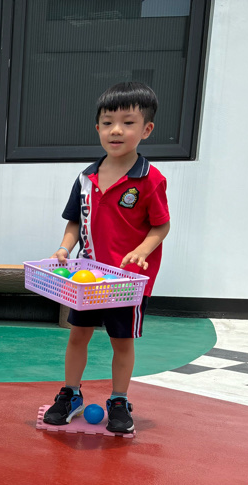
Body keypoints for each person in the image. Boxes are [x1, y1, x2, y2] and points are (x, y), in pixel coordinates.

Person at [43, 81, 171, 434]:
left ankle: (119, 400)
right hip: (88, 279)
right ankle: (70, 394)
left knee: (122, 342)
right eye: (108, 122)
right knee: (77, 336)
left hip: (128, 283)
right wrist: (64, 248)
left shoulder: (150, 179)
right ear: (97, 127)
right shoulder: (86, 177)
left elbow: (161, 225)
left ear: (146, 129)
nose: (116, 130)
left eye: (128, 123)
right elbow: (74, 221)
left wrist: (142, 251)